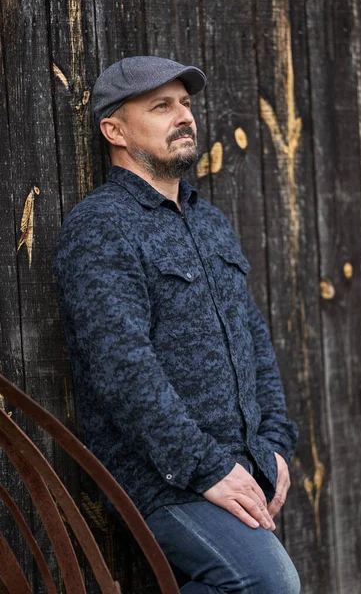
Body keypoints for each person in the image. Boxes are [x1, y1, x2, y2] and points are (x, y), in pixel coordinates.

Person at [54, 56, 300, 593]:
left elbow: (255, 341)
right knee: (265, 581)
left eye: (185, 104)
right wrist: (204, 467)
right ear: (114, 130)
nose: (183, 116)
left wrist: (277, 443)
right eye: (161, 106)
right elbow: (122, 367)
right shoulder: (100, 227)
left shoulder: (210, 223)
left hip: (241, 470)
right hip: (161, 478)